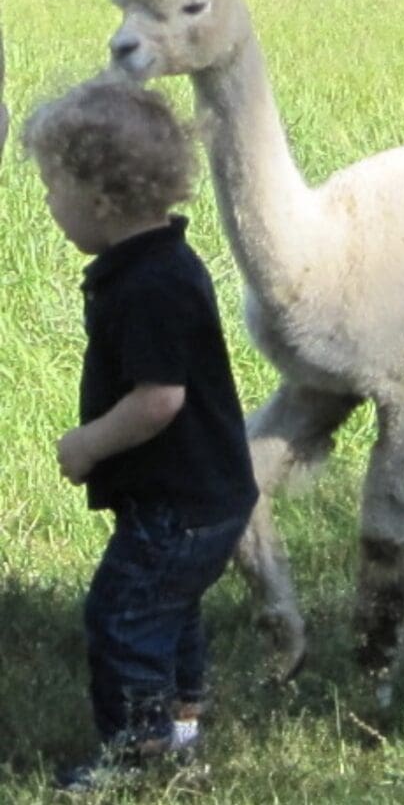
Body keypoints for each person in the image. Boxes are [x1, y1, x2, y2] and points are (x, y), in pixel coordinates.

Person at [23, 76, 258, 793]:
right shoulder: (159, 263)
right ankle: (181, 721)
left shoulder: (149, 286)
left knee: (122, 614)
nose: (47, 204)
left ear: (99, 199)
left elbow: (159, 399)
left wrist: (89, 443)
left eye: (53, 189)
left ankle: (138, 754)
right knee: (168, 605)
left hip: (180, 504)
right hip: (205, 494)